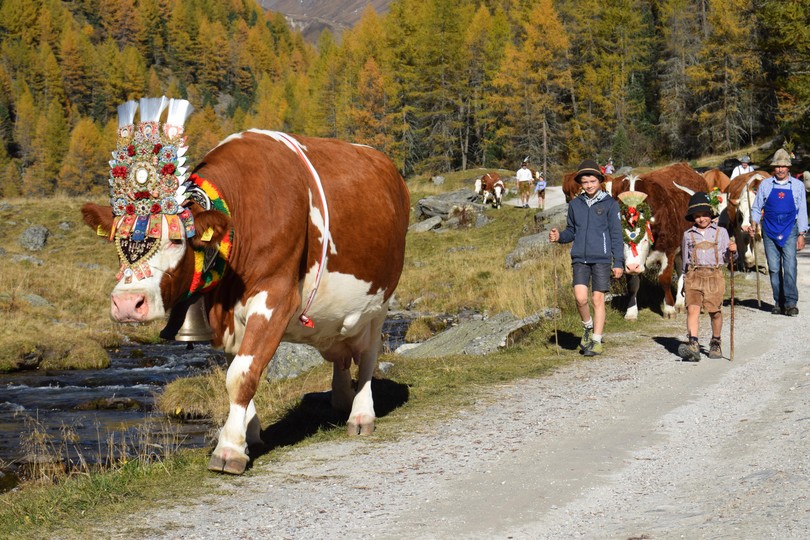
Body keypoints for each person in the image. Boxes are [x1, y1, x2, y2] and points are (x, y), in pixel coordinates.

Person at [549, 160, 624, 356]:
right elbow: (571, 232)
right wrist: (559, 237)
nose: (589, 185)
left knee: (597, 299)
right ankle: (587, 327)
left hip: (601, 258)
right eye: (585, 182)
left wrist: (618, 263)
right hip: (579, 259)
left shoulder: (610, 204)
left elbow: (616, 235)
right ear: (580, 184)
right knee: (580, 299)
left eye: (592, 181)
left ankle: (596, 341)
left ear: (600, 180)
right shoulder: (575, 205)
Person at [744, 149, 808, 316]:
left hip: (790, 229)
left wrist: (802, 234)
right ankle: (778, 302)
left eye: (783, 166)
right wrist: (753, 223)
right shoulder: (766, 185)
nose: (780, 169)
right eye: (777, 166)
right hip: (769, 230)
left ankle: (791, 302)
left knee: (790, 266)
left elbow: (801, 210)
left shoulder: (797, 185)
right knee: (773, 268)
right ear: (774, 168)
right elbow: (757, 208)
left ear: (788, 168)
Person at [677, 192, 737, 361]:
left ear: (711, 214)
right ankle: (693, 344)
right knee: (692, 309)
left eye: (704, 215)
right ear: (692, 218)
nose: (701, 219)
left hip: (714, 276)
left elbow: (728, 258)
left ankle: (715, 341)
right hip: (693, 276)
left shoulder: (721, 232)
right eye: (697, 216)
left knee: (714, 311)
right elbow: (685, 259)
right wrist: (683, 280)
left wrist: (733, 252)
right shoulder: (688, 235)